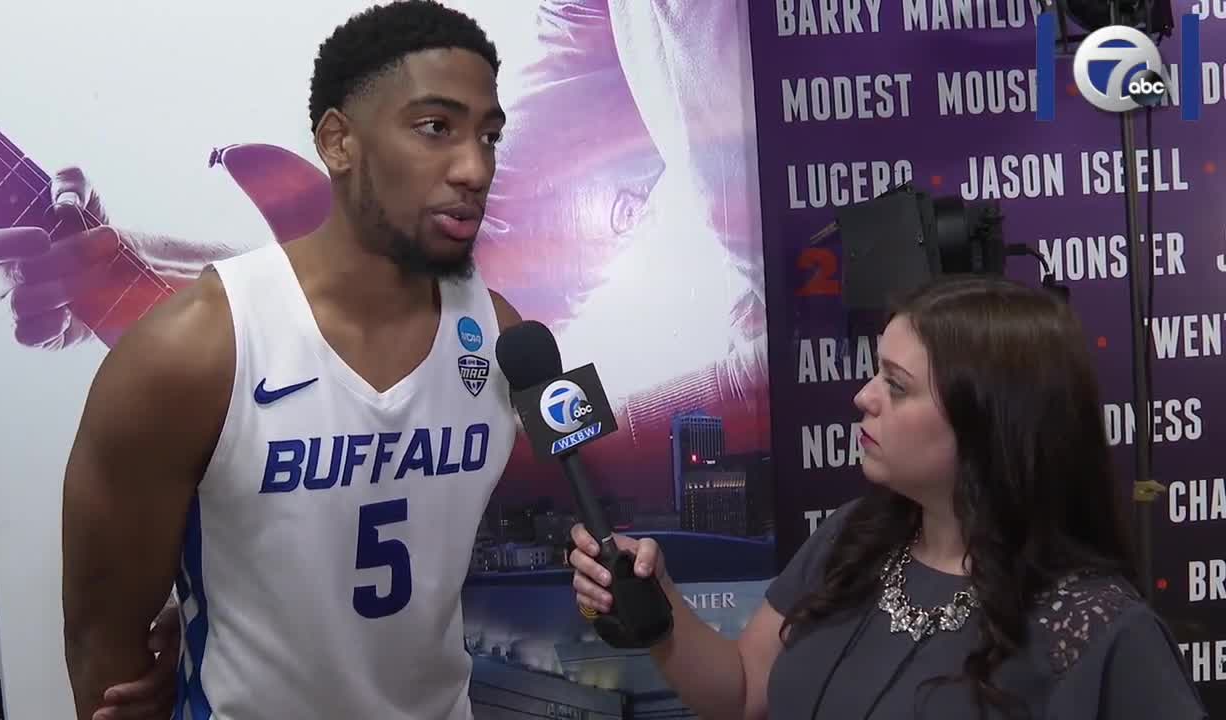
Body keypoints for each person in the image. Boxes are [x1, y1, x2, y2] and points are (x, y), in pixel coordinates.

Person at [59, 2, 522, 719]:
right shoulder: (196, 350)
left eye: (488, 135)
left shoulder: (502, 336)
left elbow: (587, 504)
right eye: (436, 128)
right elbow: (103, 644)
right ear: (338, 142)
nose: (474, 167)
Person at [569, 276, 1208, 719]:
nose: (864, 397)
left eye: (897, 386)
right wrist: (661, 609)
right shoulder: (852, 538)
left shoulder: (1096, 628)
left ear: (990, 424)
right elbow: (742, 696)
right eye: (877, 372)